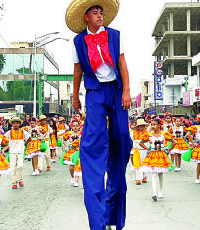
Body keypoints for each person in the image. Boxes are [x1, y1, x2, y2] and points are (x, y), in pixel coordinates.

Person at [67, 1, 133, 229]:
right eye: (94, 12)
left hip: (116, 90)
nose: (99, 15)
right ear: (85, 17)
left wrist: (126, 91)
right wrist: (75, 97)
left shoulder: (114, 35)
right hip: (94, 92)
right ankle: (98, 221)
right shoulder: (78, 41)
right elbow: (77, 70)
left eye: (101, 12)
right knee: (94, 143)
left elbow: (122, 64)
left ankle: (114, 216)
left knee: (122, 139)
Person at [139, 118, 176, 201]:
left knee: (160, 173)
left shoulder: (164, 134)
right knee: (154, 173)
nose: (153, 126)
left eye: (154, 124)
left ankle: (160, 191)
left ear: (159, 125)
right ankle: (154, 193)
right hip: (153, 155)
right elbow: (141, 142)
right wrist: (147, 148)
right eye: (152, 125)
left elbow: (174, 142)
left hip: (161, 155)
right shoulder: (149, 134)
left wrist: (169, 150)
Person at [3, 117, 31, 189]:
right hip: (12, 152)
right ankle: (14, 183)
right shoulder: (9, 133)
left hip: (20, 152)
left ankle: (20, 179)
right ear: (12, 124)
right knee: (13, 168)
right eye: (14, 123)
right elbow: (3, 140)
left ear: (19, 124)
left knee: (20, 166)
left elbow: (29, 138)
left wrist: (24, 144)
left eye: (17, 123)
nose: (15, 125)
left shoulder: (23, 131)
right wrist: (5, 148)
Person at [61, 119, 82, 186]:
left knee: (78, 165)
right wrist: (67, 145)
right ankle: (72, 176)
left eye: (76, 126)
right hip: (71, 151)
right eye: (73, 126)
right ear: (71, 126)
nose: (75, 127)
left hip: (78, 151)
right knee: (71, 167)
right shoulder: (69, 134)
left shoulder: (81, 133)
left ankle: (76, 181)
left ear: (79, 126)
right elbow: (63, 139)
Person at [129, 118, 148, 185]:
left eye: (143, 126)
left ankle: (144, 177)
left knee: (145, 164)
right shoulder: (132, 133)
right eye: (141, 126)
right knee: (138, 164)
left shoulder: (146, 133)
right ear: (137, 126)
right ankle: (138, 178)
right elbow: (131, 141)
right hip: (137, 151)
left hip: (145, 150)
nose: (142, 127)